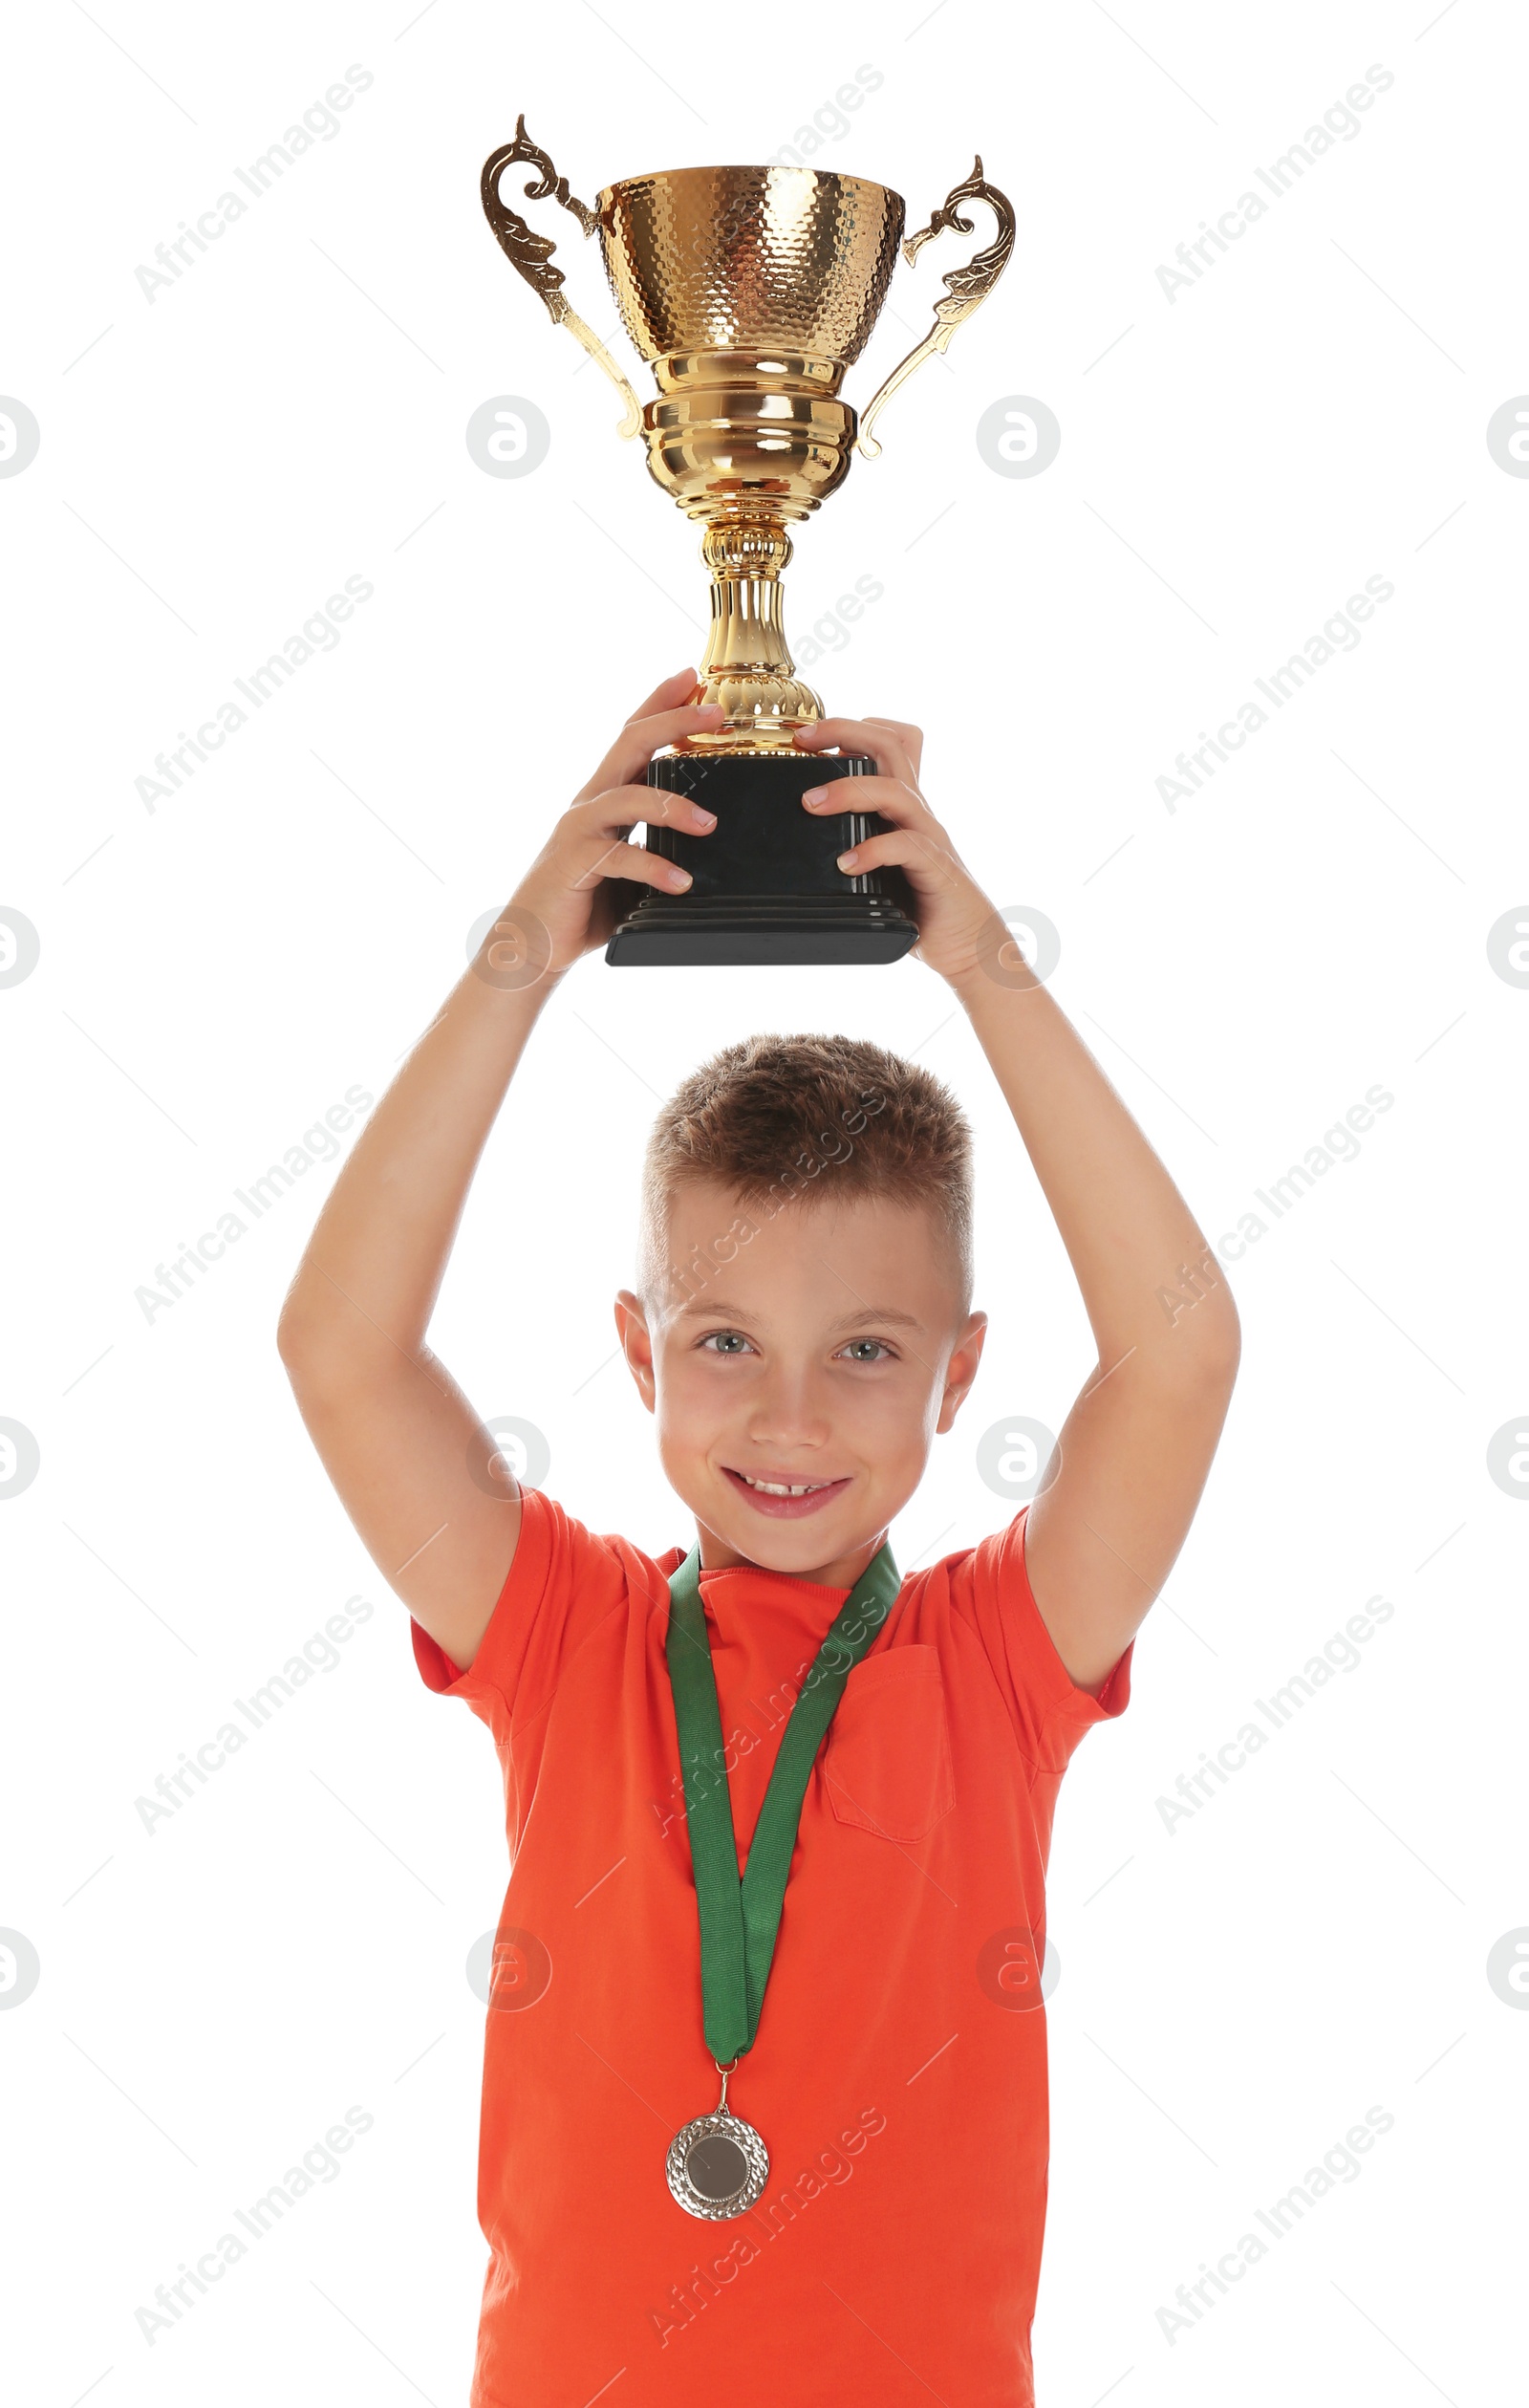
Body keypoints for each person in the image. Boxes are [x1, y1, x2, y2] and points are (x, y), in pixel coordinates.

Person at [277, 668, 1240, 2406]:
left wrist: (980, 961)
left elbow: (1181, 1351)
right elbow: (337, 1351)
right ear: (641, 1355)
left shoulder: (996, 1664)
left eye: (866, 1351)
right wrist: (527, 952)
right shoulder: (566, 1637)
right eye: (726, 1343)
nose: (790, 1419)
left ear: (958, 1378)